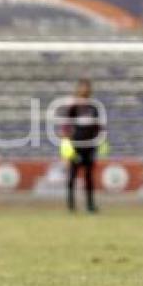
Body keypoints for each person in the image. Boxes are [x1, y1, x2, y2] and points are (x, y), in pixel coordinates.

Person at [60, 79, 104, 213]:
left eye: (87, 87)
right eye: (82, 87)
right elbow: (66, 125)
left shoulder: (94, 107)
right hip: (76, 145)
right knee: (72, 176)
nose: (84, 89)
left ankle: (90, 205)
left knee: (89, 176)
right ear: (78, 89)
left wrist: (100, 139)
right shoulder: (74, 107)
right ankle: (71, 205)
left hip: (90, 146)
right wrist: (66, 142)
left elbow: (99, 126)